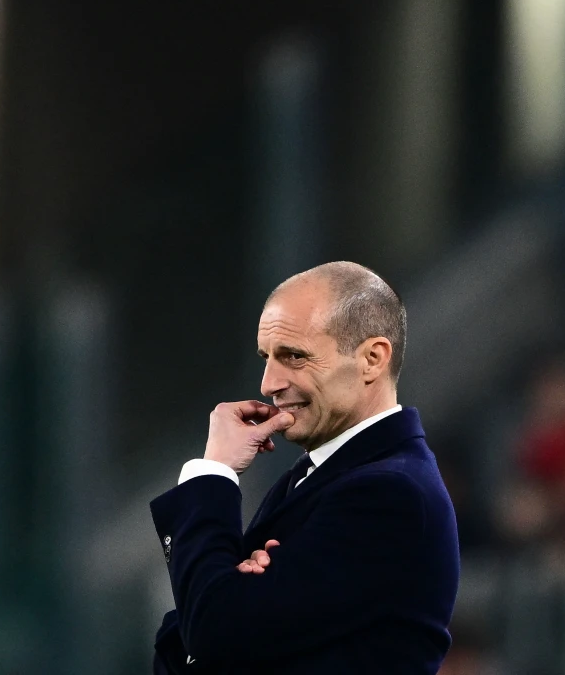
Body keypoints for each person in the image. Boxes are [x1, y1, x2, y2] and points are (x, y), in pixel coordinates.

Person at [150, 262, 460, 674]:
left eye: (294, 357)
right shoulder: (316, 477)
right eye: (267, 358)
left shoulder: (389, 493)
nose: (269, 383)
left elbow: (211, 635)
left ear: (372, 358)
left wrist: (214, 473)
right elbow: (182, 650)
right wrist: (223, 593)